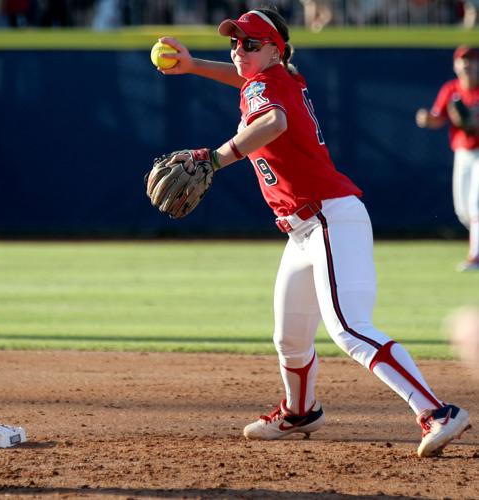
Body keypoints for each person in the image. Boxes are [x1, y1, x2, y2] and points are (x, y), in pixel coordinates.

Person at [156, 8, 470, 457]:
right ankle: (300, 412)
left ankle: (438, 412)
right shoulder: (273, 79)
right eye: (235, 43)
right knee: (289, 336)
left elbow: (274, 122)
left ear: (274, 50)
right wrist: (194, 65)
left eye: (250, 43)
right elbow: (250, 83)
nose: (239, 51)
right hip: (305, 228)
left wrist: (216, 157)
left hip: (328, 218)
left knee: (348, 328)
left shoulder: (269, 87)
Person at [416, 46, 479, 272]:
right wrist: (427, 119)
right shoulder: (451, 89)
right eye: (463, 61)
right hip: (463, 152)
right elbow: (438, 118)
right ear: (455, 66)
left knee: (476, 204)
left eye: (472, 60)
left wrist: (472, 123)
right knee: (463, 210)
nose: (467, 65)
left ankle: (475, 256)